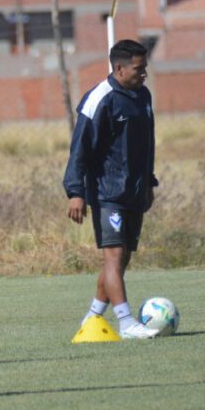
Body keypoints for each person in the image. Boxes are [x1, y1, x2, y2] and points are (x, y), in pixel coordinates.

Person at [63, 39, 160, 339]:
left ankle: (92, 316)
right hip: (107, 194)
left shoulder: (143, 95)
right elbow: (79, 148)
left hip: (134, 192)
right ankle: (127, 323)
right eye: (138, 68)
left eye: (145, 68)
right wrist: (75, 191)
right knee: (114, 257)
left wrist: (149, 183)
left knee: (123, 258)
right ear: (119, 68)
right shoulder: (99, 99)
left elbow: (146, 145)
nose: (144, 74)